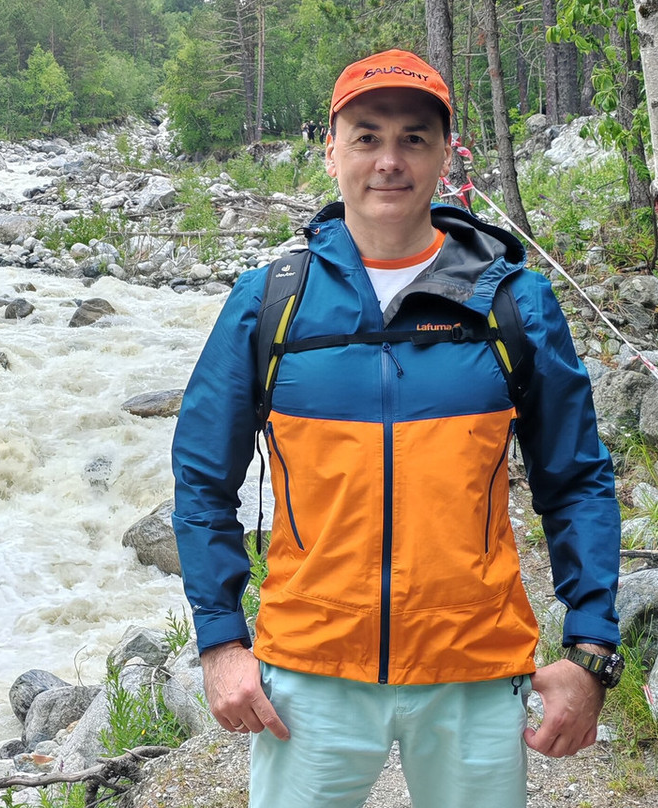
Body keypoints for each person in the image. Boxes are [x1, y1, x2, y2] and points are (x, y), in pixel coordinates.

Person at [171, 49, 622, 808]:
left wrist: (590, 648)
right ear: (331, 151)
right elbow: (202, 478)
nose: (390, 160)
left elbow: (575, 480)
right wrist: (220, 642)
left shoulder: (513, 302)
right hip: (311, 671)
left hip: (473, 669)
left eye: (415, 138)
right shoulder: (269, 302)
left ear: (447, 155)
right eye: (367, 136)